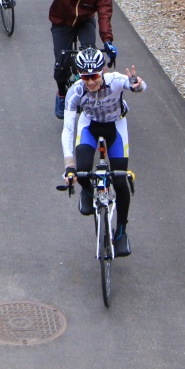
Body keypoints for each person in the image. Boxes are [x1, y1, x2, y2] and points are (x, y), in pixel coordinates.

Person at [61, 46, 146, 258]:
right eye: (85, 77)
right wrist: (69, 166)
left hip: (115, 126)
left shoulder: (115, 80)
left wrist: (137, 84)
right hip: (89, 125)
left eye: (95, 76)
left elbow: (136, 85)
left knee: (119, 180)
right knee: (81, 171)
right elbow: (68, 129)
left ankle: (121, 231)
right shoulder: (76, 91)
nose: (90, 82)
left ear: (104, 71)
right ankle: (89, 191)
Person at [37, 0, 115, 118]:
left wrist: (108, 41)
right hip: (61, 22)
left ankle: (91, 94)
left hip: (85, 22)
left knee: (90, 58)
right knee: (61, 64)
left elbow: (104, 14)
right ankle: (62, 94)